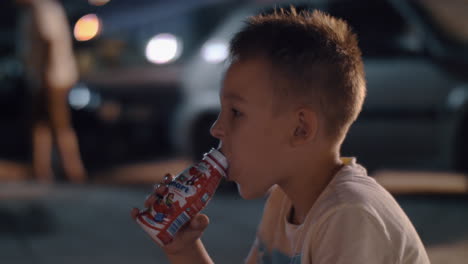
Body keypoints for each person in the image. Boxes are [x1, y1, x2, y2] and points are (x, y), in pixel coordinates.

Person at [131, 7, 430, 264]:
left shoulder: (349, 215)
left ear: (300, 129)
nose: (216, 128)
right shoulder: (283, 202)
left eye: (236, 112)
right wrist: (184, 249)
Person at [16, 0, 87, 183]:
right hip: (41, 77)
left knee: (59, 124)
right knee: (41, 123)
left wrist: (44, 76)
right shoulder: (31, 11)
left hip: (52, 78)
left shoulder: (44, 8)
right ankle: (41, 169)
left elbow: (49, 41)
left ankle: (73, 170)